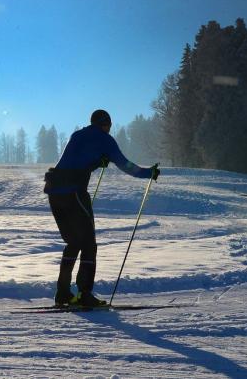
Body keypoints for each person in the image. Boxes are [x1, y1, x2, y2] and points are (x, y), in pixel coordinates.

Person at [44, 109, 160, 307]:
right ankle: (84, 294)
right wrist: (148, 173)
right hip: (74, 193)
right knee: (88, 243)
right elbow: (125, 165)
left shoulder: (78, 135)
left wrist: (97, 161)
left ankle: (62, 293)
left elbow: (75, 159)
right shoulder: (105, 139)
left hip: (54, 192)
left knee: (73, 242)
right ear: (106, 124)